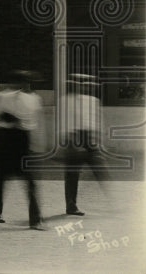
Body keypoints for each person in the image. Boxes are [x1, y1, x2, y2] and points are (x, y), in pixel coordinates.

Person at [0, 71, 45, 230]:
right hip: (5, 142)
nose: (24, 85)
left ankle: (35, 220)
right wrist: (7, 123)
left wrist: (35, 142)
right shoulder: (2, 97)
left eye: (26, 82)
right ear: (14, 82)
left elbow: (36, 123)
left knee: (31, 182)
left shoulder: (34, 99)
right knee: (1, 180)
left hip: (23, 142)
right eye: (21, 82)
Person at [62, 73, 108, 216]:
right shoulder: (67, 100)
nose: (88, 87)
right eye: (84, 84)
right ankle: (71, 205)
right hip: (74, 137)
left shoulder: (94, 101)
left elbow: (97, 120)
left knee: (100, 169)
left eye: (90, 85)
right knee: (72, 174)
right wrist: (70, 139)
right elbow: (65, 120)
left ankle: (113, 201)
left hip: (90, 138)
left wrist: (98, 140)